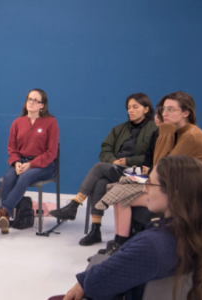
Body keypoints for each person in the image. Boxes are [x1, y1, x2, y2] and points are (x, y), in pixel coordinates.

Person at [49, 155, 202, 300]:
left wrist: (83, 281)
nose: (144, 189)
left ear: (174, 193)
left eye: (151, 183)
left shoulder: (152, 244)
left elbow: (95, 283)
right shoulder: (199, 234)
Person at [102, 91, 202, 254]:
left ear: (186, 113)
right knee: (119, 190)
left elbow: (161, 167)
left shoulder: (190, 135)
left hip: (181, 194)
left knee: (122, 196)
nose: (164, 113)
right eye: (163, 109)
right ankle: (120, 242)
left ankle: (121, 245)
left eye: (170, 110)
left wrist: (164, 132)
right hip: (168, 186)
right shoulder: (176, 132)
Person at [49, 93, 157, 245]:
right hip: (117, 169)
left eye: (135, 107)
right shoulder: (119, 129)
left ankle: (74, 205)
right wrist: (113, 160)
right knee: (100, 183)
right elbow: (105, 149)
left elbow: (151, 157)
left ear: (146, 109)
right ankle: (96, 230)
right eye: (128, 107)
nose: (130, 111)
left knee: (99, 167)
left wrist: (128, 160)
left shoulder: (154, 130)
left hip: (138, 173)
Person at [0, 89, 58, 234]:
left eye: (35, 100)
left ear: (42, 105)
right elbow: (12, 148)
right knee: (9, 176)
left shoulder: (51, 122)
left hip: (44, 166)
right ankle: (4, 218)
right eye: (29, 99)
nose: (31, 102)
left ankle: (2, 211)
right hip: (21, 162)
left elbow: (51, 153)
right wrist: (16, 162)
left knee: (25, 176)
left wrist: (31, 164)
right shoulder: (17, 123)